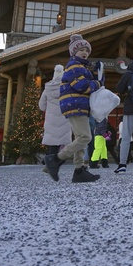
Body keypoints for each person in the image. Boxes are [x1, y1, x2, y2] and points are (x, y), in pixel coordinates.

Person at [44, 34, 101, 183]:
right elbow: (83, 87)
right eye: (81, 50)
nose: (84, 52)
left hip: (78, 105)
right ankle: (56, 159)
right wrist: (97, 83)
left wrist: (96, 75)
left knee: (80, 138)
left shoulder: (81, 67)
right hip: (75, 104)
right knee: (85, 137)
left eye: (87, 50)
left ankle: (79, 170)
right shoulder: (73, 66)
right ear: (73, 52)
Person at [40, 65, 71, 170]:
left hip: (51, 120)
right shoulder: (67, 88)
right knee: (62, 142)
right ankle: (57, 160)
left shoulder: (47, 89)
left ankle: (50, 161)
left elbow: (41, 106)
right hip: (64, 119)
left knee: (52, 143)